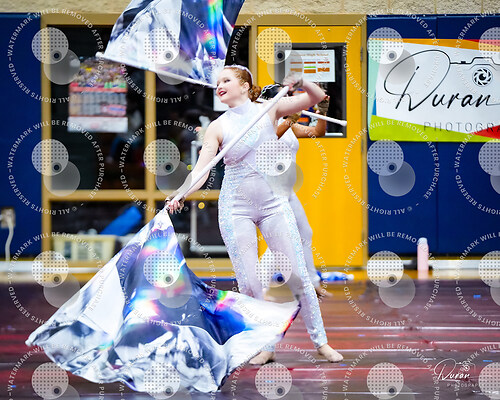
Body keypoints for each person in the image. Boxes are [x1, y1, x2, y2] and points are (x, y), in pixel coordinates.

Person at [166, 65, 343, 364]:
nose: (219, 85)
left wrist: (302, 80)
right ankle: (266, 345)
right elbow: (201, 170)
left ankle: (321, 342)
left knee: (298, 276)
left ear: (246, 86)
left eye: (226, 80)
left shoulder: (270, 110)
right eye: (217, 82)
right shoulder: (218, 126)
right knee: (250, 284)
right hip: (236, 209)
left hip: (274, 204)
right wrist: (181, 193)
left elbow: (313, 97)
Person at [260, 84, 332, 298]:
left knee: (304, 233)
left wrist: (322, 112)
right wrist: (291, 119)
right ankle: (258, 289)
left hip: (287, 191)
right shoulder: (262, 125)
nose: (293, 101)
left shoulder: (289, 125)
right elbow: (268, 139)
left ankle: (313, 283)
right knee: (281, 238)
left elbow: (317, 133)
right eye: (287, 98)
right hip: (270, 191)